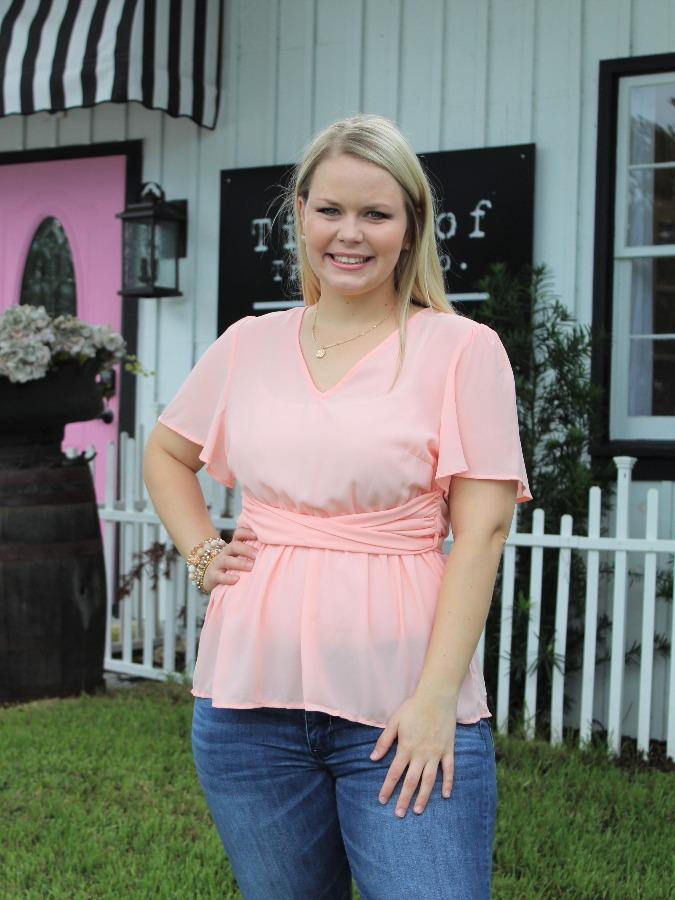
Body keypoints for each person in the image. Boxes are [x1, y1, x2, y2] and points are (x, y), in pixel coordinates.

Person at [143, 113, 532, 900]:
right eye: (329, 210)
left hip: (399, 706)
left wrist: (432, 702)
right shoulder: (248, 345)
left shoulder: (460, 349)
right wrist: (202, 553)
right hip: (247, 708)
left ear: (409, 227)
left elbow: (481, 530)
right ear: (300, 215)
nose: (348, 235)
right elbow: (165, 451)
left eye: (375, 214)